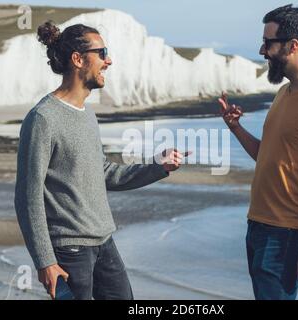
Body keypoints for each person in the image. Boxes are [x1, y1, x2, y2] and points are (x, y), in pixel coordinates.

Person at [14, 21, 187, 300]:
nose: (109, 60)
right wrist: (45, 260)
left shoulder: (87, 114)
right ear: (78, 59)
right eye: (102, 52)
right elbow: (27, 196)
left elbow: (104, 173)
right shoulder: (43, 119)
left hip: (105, 242)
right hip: (69, 251)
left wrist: (158, 167)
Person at [218, 4, 298, 300]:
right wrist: (235, 127)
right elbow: (268, 156)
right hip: (258, 226)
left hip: (287, 234)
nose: (262, 51)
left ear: (293, 46)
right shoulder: (284, 93)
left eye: (268, 42)